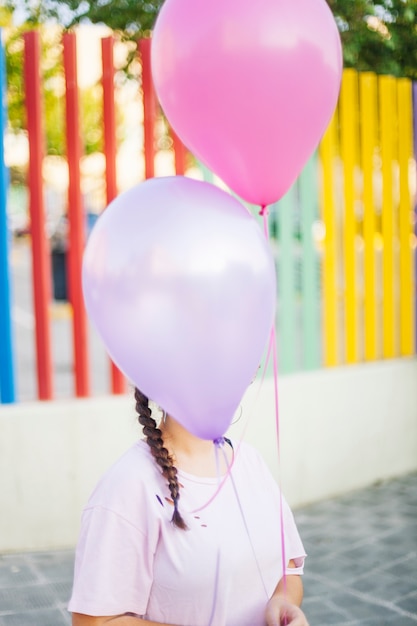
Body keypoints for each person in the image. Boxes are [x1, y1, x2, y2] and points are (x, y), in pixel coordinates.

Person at [68, 388, 309, 626]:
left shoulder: (250, 461)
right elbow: (95, 621)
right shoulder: (128, 486)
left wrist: (282, 603)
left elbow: (288, 571)